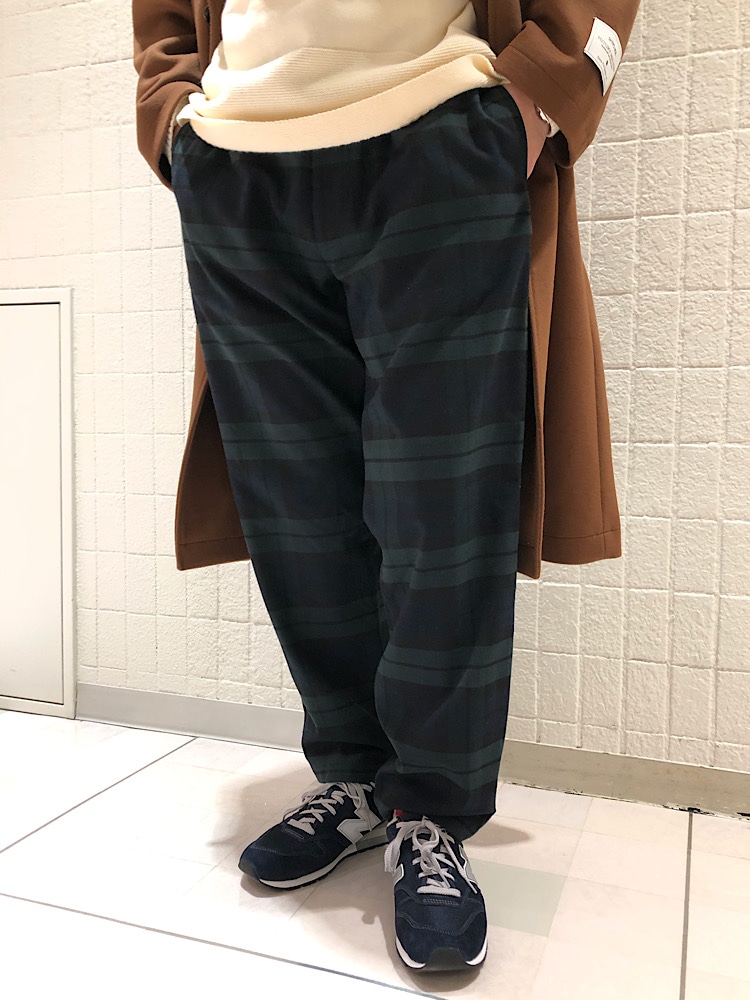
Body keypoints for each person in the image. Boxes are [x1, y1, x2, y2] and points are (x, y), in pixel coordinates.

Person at [133, 0, 641, 973]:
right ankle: (357, 776)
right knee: (297, 511)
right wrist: (171, 119)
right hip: (237, 157)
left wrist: (541, 94)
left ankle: (430, 810)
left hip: (440, 127)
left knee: (441, 516)